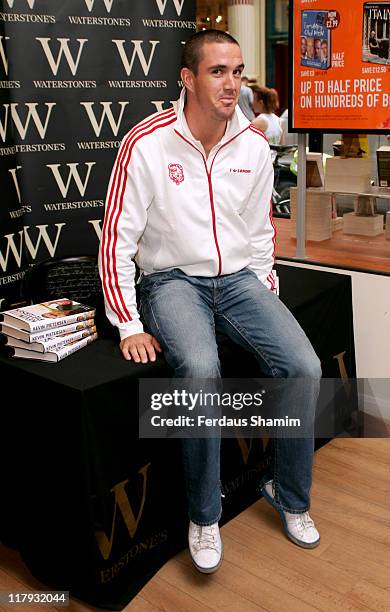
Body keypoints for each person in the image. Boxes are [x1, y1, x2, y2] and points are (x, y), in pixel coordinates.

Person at [99, 29, 321, 574]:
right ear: (188, 79)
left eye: (238, 71)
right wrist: (128, 323)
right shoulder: (146, 143)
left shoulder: (252, 143)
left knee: (305, 365)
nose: (231, 83)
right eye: (218, 71)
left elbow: (260, 229)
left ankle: (289, 494)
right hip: (171, 281)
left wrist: (266, 290)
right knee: (200, 370)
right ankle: (204, 514)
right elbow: (116, 242)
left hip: (239, 280)